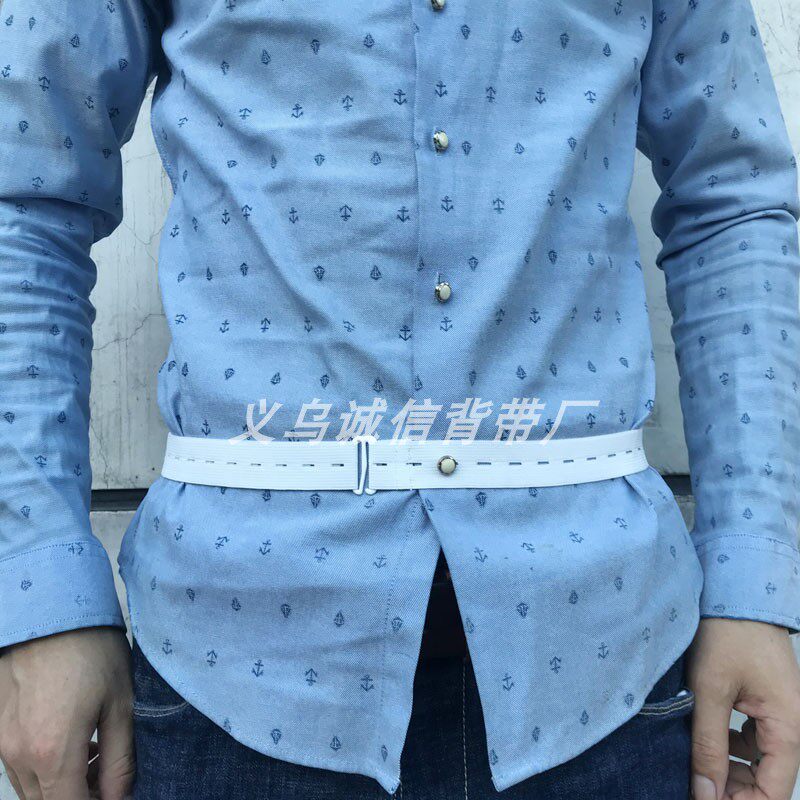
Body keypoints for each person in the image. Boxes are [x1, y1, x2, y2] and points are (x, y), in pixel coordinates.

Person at [1, 0, 800, 798]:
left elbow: (731, 198)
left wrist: (750, 578)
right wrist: (43, 594)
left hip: (604, 664)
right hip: (234, 668)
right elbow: (25, 196)